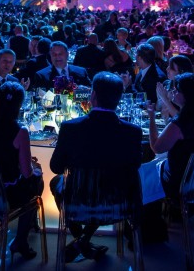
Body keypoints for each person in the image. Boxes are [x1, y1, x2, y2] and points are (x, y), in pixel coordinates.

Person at [50, 72, 143, 262]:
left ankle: (80, 240)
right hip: (119, 204)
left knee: (55, 182)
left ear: (92, 96)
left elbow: (56, 167)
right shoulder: (133, 132)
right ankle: (83, 242)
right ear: (119, 99)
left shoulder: (70, 128)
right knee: (107, 185)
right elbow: (135, 165)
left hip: (78, 203)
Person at [0, 81, 43, 261]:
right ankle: (21, 239)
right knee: (36, 180)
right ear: (19, 105)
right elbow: (26, 173)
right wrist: (34, 167)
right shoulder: (20, 131)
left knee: (32, 179)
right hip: (3, 194)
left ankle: (27, 228)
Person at [145, 73, 194, 200]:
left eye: (177, 90)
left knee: (144, 170)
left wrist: (151, 117)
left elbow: (156, 147)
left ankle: (148, 208)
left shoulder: (181, 123)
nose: (173, 92)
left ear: (188, 95)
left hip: (180, 183)